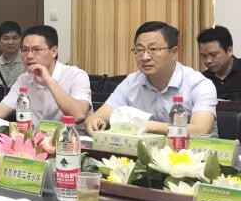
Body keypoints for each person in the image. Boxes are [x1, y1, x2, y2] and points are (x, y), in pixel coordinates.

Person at [85, 21, 217, 136]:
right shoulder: (132, 82)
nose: (145, 57)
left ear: (174, 52)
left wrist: (149, 126)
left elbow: (200, 129)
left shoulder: (199, 84)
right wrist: (95, 121)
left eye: (153, 49)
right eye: (139, 50)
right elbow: (99, 115)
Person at [0, 25, 91, 124]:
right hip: (36, 143)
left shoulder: (76, 76)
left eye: (36, 50)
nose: (29, 56)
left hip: (70, 143)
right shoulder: (24, 79)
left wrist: (49, 82)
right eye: (25, 50)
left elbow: (79, 115)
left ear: (54, 51)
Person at [197, 25, 241, 101]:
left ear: (229, 51)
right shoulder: (201, 80)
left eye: (213, 55)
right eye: (204, 56)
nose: (208, 61)